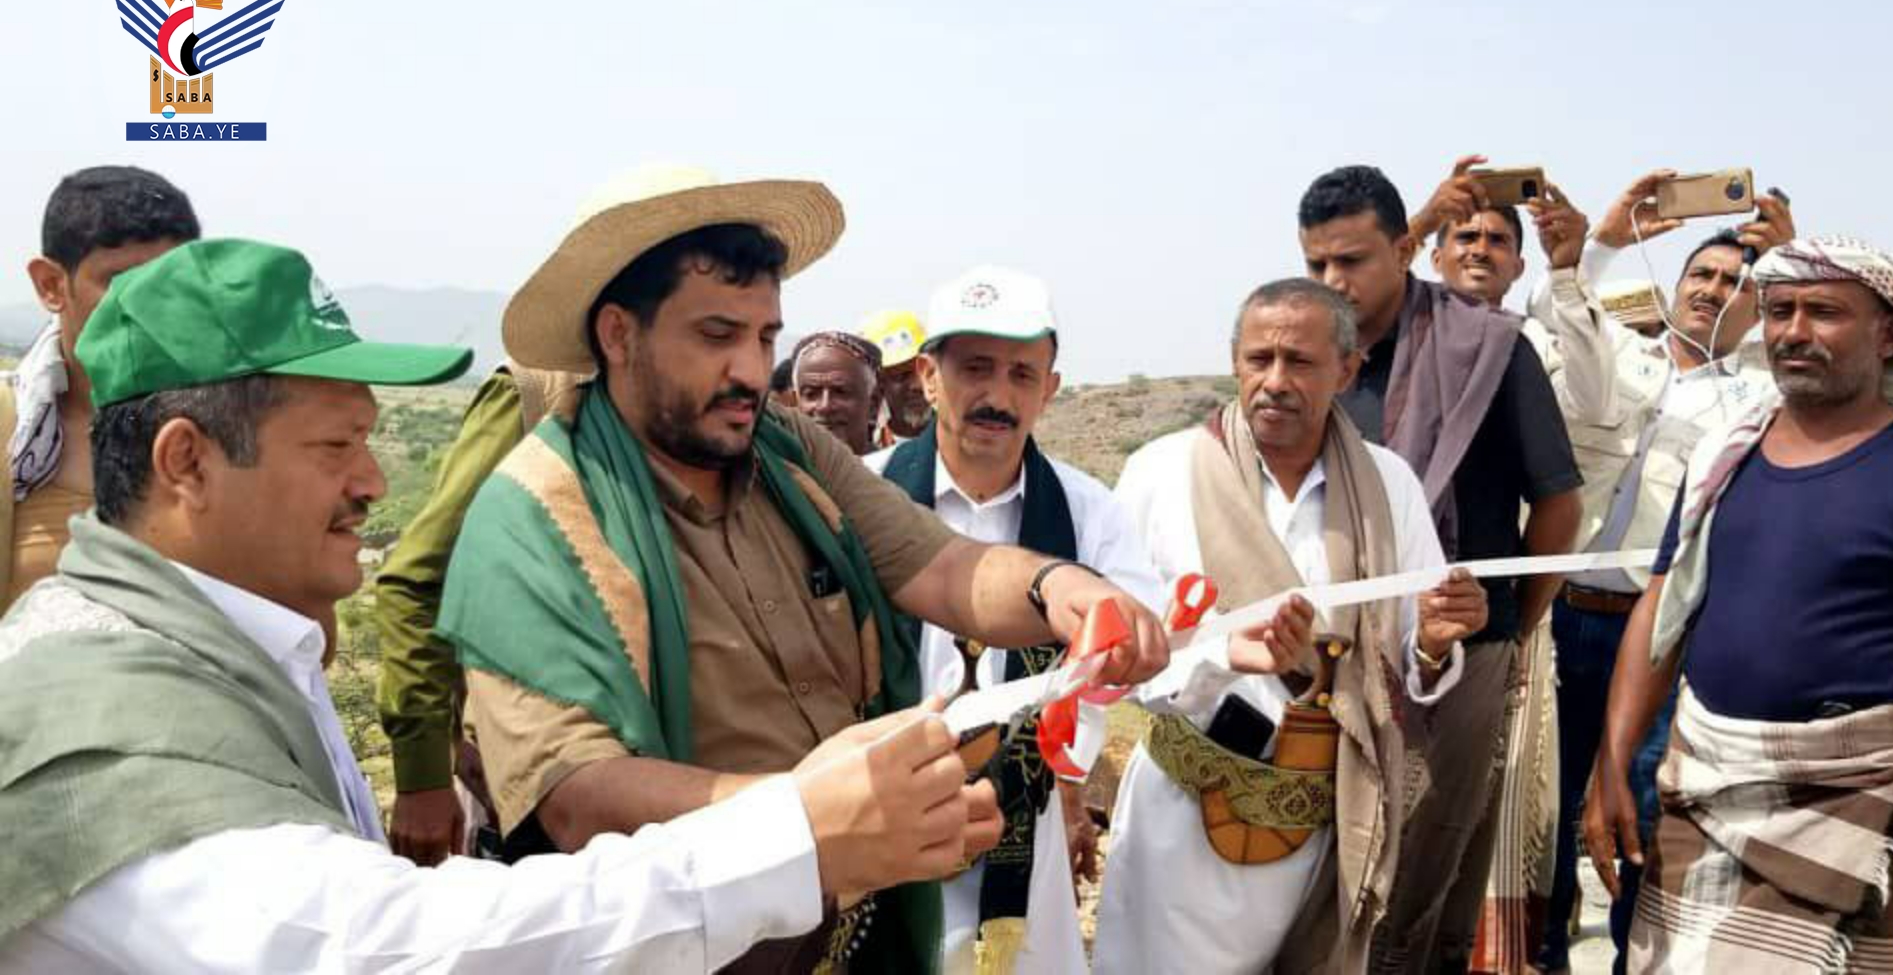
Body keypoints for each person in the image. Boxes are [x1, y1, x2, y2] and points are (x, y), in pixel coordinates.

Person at [0, 239, 992, 973]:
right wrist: (793, 831)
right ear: (186, 462)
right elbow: (387, 948)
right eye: (336, 446)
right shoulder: (105, 717)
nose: (373, 482)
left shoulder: (221, 649)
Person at [436, 166, 1168, 973]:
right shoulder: (537, 514)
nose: (752, 372)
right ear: (618, 334)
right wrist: (814, 818)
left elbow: (941, 564)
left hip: (850, 929)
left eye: (764, 338)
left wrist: (1059, 588)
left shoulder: (789, 454)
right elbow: (577, 797)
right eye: (717, 336)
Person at [1095, 278, 1489, 975]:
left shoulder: (1389, 484)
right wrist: (1222, 657)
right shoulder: (1160, 473)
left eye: (1300, 362)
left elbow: (1409, 655)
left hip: (1327, 822)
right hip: (1181, 825)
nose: (1275, 381)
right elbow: (1117, 656)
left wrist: (1433, 643)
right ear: (1235, 361)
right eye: (1259, 359)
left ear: (1347, 370)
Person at [1585, 236, 1893, 971]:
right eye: (1779, 311)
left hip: (1857, 801)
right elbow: (1664, 608)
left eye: (1824, 312)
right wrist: (1612, 760)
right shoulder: (1725, 456)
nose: (1793, 332)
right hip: (1704, 783)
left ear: (1891, 336)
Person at [1298, 164, 1584, 973]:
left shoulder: (1487, 348)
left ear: (1402, 251)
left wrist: (1510, 631)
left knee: (1423, 869)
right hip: (1334, 654)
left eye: (1351, 261)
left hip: (1461, 656)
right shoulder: (1311, 358)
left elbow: (1559, 505)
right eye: (1317, 263)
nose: (1332, 281)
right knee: (1328, 867)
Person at [1521, 173, 1794, 974]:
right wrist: (1602, 242)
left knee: (1642, 811)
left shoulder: (1763, 398)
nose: (1713, 289)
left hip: (1665, 635)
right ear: (1675, 287)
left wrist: (1793, 262)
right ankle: (1543, 953)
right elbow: (1551, 312)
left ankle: (1633, 959)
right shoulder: (1616, 353)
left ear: (1759, 305)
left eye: (1737, 281)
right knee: (1544, 806)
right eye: (1701, 274)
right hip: (1561, 616)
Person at [867, 265, 1162, 974]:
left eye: (1022, 375)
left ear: (1049, 389)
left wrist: (1124, 650)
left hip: (1021, 830)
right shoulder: (866, 493)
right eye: (975, 368)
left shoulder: (1088, 513)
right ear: (928, 376)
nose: (997, 396)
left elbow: (1134, 663)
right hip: (875, 818)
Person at [373, 361, 586, 867]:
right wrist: (424, 774)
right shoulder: (537, 396)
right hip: (531, 784)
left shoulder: (730, 417)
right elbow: (421, 579)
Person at [3, 166, 199, 606]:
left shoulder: (227, 426)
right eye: (120, 282)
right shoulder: (10, 432)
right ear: (51, 285)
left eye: (169, 283)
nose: (148, 307)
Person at [792, 330, 885, 455]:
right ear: (795, 404)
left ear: (873, 404)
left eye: (841, 392)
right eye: (811, 394)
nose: (825, 406)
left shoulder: (895, 466)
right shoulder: (776, 466)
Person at [860, 308, 933, 445]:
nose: (917, 385)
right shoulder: (863, 446)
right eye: (902, 376)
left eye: (923, 371)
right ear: (878, 384)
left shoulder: (964, 434)